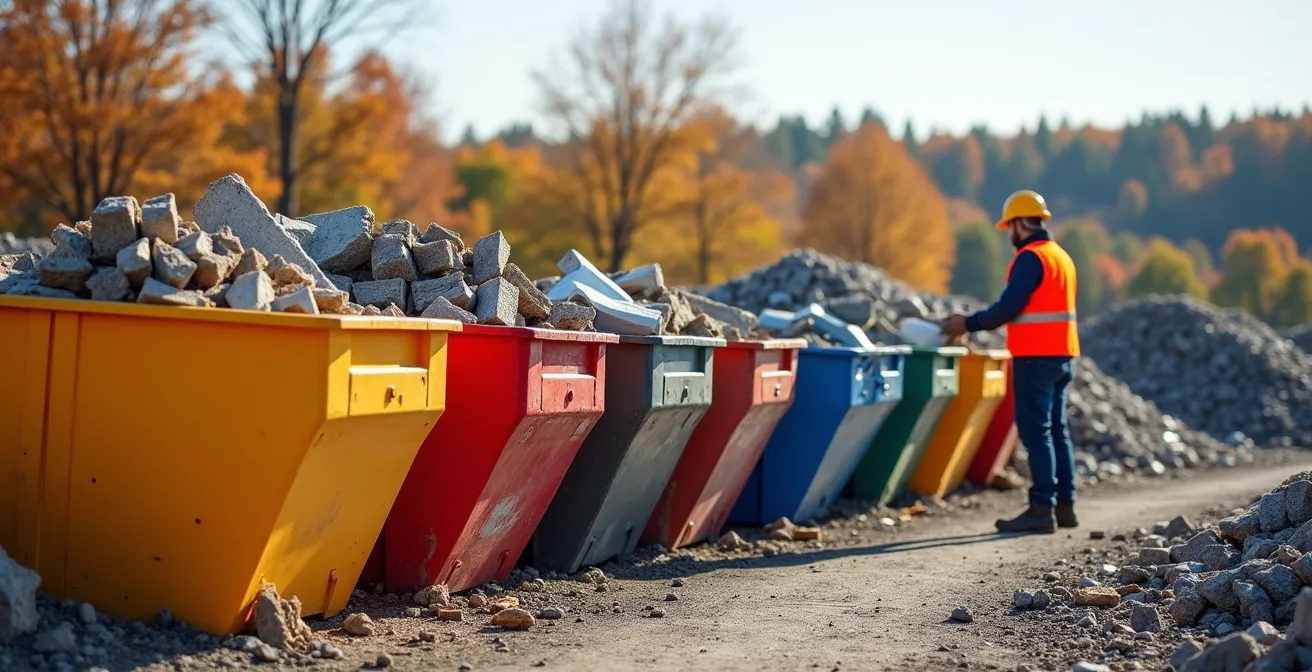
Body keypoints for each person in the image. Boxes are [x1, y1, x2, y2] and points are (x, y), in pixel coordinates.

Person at [940, 189, 1080, 534]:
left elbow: (1008, 308)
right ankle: (1065, 506)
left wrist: (967, 323)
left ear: (1019, 224)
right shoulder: (1060, 256)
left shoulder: (1031, 258)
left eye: (1009, 227)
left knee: (1037, 433)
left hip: (1035, 357)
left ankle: (1040, 508)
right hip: (1063, 355)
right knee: (1057, 432)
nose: (1008, 235)